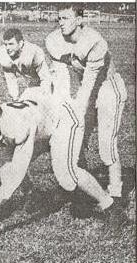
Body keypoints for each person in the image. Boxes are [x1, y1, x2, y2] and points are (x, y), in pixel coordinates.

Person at [0, 89, 127, 246]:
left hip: (62, 117)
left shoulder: (17, 126)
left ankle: (111, 207)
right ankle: (34, 196)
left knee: (66, 173)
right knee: (5, 169)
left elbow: (17, 174)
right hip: (39, 117)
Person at [45, 4, 128, 200]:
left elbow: (90, 82)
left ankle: (115, 194)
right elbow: (60, 77)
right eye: (59, 18)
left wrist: (77, 111)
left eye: (66, 18)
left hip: (108, 88)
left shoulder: (94, 41)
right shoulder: (54, 40)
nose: (60, 22)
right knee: (77, 136)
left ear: (80, 20)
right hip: (86, 87)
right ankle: (80, 188)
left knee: (106, 144)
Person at [0, 28, 52, 101]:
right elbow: (10, 79)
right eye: (5, 44)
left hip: (52, 74)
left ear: (20, 43)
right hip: (34, 78)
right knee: (25, 100)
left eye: (11, 44)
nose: (7, 48)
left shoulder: (33, 52)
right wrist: (15, 98)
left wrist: (46, 99)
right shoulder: (2, 54)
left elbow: (46, 78)